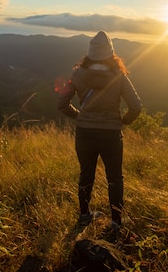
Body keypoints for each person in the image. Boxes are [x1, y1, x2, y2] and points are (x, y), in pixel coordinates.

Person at [57, 31, 142, 231]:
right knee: (115, 177)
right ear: (111, 54)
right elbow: (136, 106)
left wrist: (80, 116)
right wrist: (122, 121)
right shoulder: (119, 76)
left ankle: (85, 215)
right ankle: (116, 222)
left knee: (86, 174)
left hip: (85, 133)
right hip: (110, 134)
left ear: (89, 54)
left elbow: (61, 103)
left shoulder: (77, 74)